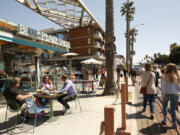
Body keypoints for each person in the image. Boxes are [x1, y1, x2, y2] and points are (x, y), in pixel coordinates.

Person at [160, 63, 180, 129]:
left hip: (167, 94)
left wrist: (163, 95)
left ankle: (164, 119)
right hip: (176, 94)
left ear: (167, 68)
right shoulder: (177, 76)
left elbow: (163, 87)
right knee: (173, 110)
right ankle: (174, 124)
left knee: (164, 106)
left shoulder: (165, 76)